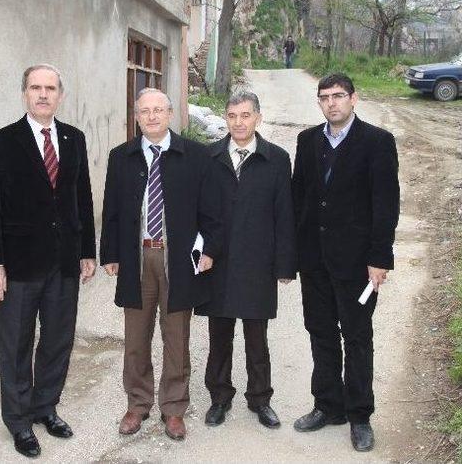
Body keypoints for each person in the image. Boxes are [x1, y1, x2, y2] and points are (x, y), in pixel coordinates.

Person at [0, 64, 96, 458]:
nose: (43, 94)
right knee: (14, 345)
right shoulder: (2, 141)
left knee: (57, 341)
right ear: (24, 93)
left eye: (50, 88)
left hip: (63, 262)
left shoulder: (74, 138)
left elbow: (83, 197)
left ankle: (45, 407)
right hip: (18, 264)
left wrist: (86, 251)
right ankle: (17, 422)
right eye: (35, 88)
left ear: (60, 95)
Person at [100, 88, 221, 442]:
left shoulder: (195, 155)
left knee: (176, 337)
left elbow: (211, 210)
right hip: (138, 256)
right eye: (144, 111)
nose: (151, 117)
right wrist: (110, 253)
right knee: (136, 338)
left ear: (170, 114)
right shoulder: (121, 156)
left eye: (158, 110)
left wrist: (209, 249)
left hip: (178, 259)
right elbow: (112, 210)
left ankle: (173, 408)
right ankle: (137, 404)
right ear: (136, 116)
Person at [291, 73, 400, 452]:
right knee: (320, 332)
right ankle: (328, 405)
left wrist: (379, 257)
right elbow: (299, 198)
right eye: (325, 97)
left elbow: (386, 205)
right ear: (319, 103)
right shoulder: (307, 141)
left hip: (357, 264)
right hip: (315, 260)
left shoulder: (377, 142)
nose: (332, 103)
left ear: (354, 98)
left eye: (339, 96)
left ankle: (359, 415)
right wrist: (294, 254)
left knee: (356, 337)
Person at [196, 89, 296, 429]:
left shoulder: (277, 159)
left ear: (258, 117)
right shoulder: (208, 157)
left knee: (257, 338)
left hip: (258, 263)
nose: (239, 122)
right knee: (219, 336)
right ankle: (219, 397)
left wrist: (284, 264)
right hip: (218, 263)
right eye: (233, 115)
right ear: (226, 118)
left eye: (246, 115)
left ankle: (260, 400)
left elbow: (285, 214)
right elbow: (198, 213)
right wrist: (201, 251)